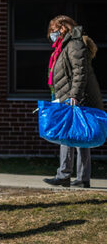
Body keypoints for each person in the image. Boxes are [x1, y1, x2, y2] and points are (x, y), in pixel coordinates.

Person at [43, 15, 103, 189]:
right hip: (68, 97)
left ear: (62, 28)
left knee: (67, 136)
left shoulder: (74, 44)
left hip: (74, 98)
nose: (52, 35)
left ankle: (64, 175)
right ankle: (82, 178)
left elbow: (80, 73)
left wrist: (74, 96)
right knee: (79, 138)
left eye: (54, 30)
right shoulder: (66, 45)